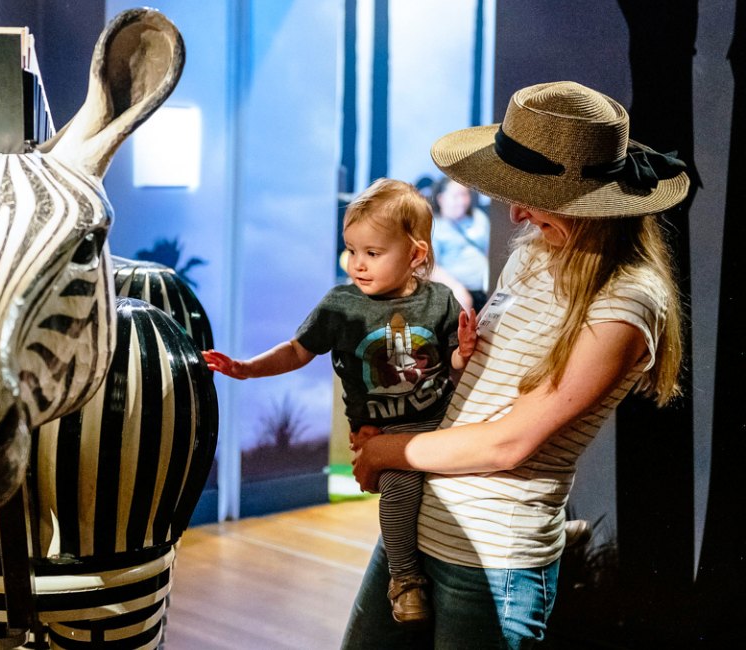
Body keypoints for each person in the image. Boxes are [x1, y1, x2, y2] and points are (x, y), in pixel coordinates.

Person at [342, 80, 689, 649]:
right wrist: (454, 365)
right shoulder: (534, 252)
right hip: (418, 531)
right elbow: (485, 398)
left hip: (492, 561)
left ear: (594, 204)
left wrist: (387, 451)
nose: (517, 211)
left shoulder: (628, 300)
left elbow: (511, 442)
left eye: (533, 195)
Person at [202, 178, 477, 626]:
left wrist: (463, 352)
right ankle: (405, 578)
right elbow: (297, 349)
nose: (357, 264)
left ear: (416, 255)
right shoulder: (340, 305)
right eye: (351, 250)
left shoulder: (441, 300)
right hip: (386, 434)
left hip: (440, 421)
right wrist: (248, 367)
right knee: (400, 491)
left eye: (372, 253)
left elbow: (451, 363)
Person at [429, 176, 491, 311]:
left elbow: (490, 253)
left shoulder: (479, 218)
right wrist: (456, 288)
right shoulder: (434, 226)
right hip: (460, 295)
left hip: (488, 291)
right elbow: (430, 267)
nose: (462, 201)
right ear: (441, 199)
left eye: (465, 195)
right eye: (456, 196)